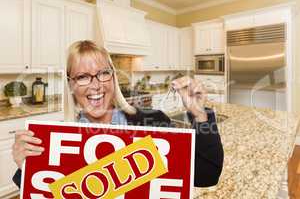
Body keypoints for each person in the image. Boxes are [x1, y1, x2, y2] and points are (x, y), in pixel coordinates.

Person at [12, 40, 224, 188]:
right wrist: (28, 169)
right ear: (71, 85)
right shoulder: (57, 143)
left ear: (113, 78)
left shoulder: (154, 122)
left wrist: (201, 115)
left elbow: (207, 174)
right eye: (83, 76)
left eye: (103, 73)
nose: (95, 86)